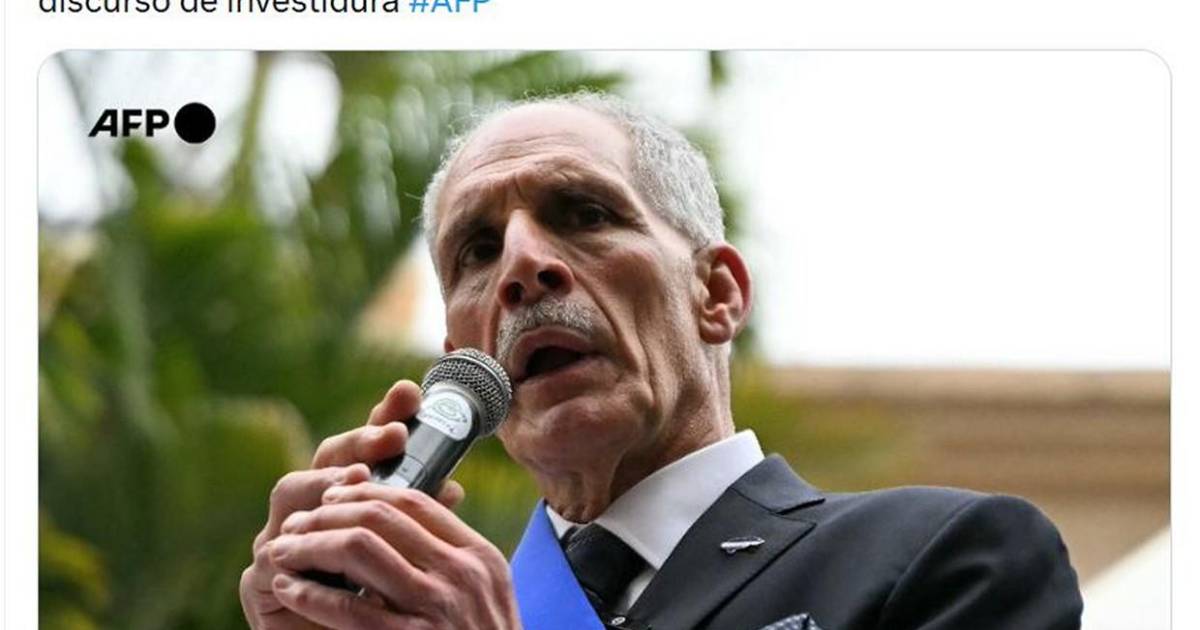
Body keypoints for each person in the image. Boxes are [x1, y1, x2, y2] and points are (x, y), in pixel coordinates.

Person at [239, 92, 1083, 630]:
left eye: (584, 213)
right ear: (460, 356)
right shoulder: (420, 614)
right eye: (478, 250)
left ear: (717, 293)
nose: (524, 267)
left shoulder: (943, 556)